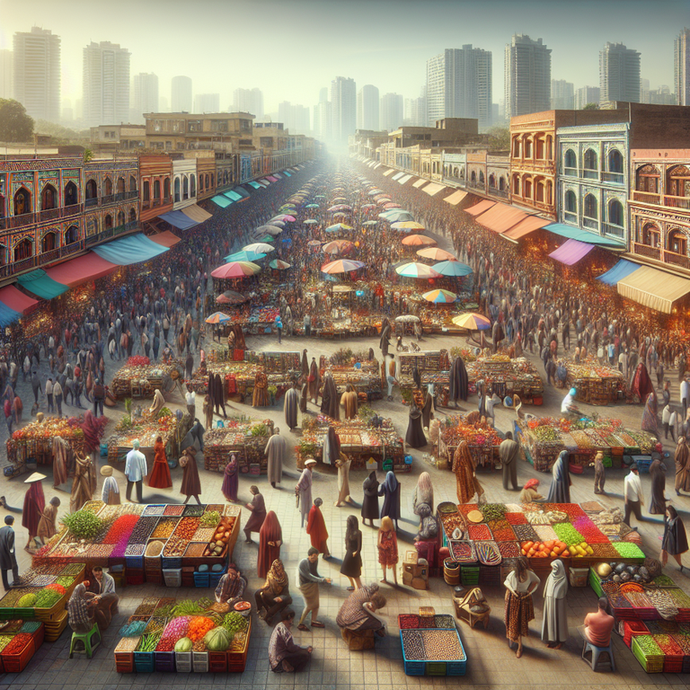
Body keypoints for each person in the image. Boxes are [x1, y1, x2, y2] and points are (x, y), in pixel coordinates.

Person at [504, 557, 540, 658]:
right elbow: (506, 583)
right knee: (512, 620)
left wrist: (528, 592)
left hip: (523, 600)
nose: (522, 574)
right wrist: (513, 592)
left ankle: (519, 646)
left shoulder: (529, 574)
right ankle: (512, 639)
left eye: (523, 571)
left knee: (520, 623)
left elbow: (537, 581)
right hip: (513, 599)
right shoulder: (513, 574)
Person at [336, 584, 387, 649]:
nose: (373, 609)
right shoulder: (364, 616)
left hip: (342, 614)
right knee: (377, 624)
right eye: (373, 607)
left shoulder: (364, 591)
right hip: (346, 621)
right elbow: (378, 624)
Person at [297, 547, 331, 631]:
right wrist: (321, 580)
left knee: (316, 604)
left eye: (316, 556)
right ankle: (300, 623)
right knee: (309, 606)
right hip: (305, 585)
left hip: (313, 584)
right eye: (313, 557)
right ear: (309, 556)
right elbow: (308, 576)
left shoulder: (316, 561)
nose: (315, 559)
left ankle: (313, 620)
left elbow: (314, 573)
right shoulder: (303, 564)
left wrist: (323, 578)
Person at [269, 608, 312, 673]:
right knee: (305, 655)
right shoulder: (286, 632)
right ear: (290, 618)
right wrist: (305, 649)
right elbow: (292, 649)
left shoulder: (279, 625)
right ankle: (292, 668)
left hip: (273, 658)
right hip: (278, 663)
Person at [541, 560, 568, 649]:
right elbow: (547, 586)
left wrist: (553, 596)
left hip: (558, 604)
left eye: (555, 568)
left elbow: (560, 593)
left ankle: (559, 641)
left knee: (558, 621)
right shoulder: (552, 575)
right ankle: (551, 639)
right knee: (550, 620)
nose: (553, 569)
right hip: (549, 602)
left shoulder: (563, 579)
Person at [256, 559, 292, 625]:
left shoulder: (284, 577)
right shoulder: (270, 574)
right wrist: (262, 588)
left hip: (281, 596)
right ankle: (260, 608)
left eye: (281, 570)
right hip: (271, 594)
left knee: (274, 608)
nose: (280, 572)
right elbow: (267, 584)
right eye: (278, 570)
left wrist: (281, 598)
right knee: (257, 593)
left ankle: (268, 617)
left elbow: (286, 592)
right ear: (274, 569)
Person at [89, 566, 120, 630]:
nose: (96, 576)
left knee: (104, 606)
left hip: (111, 595)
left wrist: (100, 596)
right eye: (94, 575)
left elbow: (106, 592)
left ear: (100, 573)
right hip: (103, 595)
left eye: (97, 575)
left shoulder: (108, 579)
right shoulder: (97, 578)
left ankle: (106, 623)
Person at [21, 472, 45, 551]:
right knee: (34, 530)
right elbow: (36, 505)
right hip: (33, 516)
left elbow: (41, 503)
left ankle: (32, 544)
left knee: (35, 530)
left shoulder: (37, 491)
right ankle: (31, 545)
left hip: (36, 515)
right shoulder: (32, 492)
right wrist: (40, 512)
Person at [661, 505, 688, 572]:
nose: (666, 514)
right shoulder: (668, 519)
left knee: (675, 554)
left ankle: (680, 565)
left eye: (668, 513)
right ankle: (664, 564)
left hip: (674, 540)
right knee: (666, 552)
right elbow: (666, 530)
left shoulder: (677, 520)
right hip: (668, 538)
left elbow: (679, 534)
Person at [340, 515, 363, 591]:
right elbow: (346, 540)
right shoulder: (348, 531)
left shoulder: (358, 533)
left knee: (355, 574)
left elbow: (359, 547)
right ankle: (353, 585)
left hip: (354, 555)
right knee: (345, 570)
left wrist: (356, 552)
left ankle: (360, 588)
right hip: (349, 553)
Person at [258, 511, 283, 579]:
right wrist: (276, 543)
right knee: (272, 562)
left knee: (265, 561)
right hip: (274, 551)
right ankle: (273, 574)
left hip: (265, 550)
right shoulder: (277, 528)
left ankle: (264, 574)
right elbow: (280, 540)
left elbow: (262, 542)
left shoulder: (263, 529)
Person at [0, 516, 19, 591]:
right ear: (12, 522)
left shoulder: (1, 529)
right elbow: (10, 544)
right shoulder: (11, 531)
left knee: (3, 568)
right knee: (14, 566)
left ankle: (6, 586)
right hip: (8, 552)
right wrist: (11, 553)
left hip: (1, 551)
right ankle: (16, 581)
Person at [377, 516, 398, 585]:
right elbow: (379, 541)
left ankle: (394, 579)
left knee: (392, 564)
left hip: (390, 551)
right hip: (384, 551)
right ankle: (386, 578)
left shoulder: (391, 532)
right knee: (383, 564)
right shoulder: (381, 531)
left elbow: (394, 543)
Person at [295, 458, 315, 528]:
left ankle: (307, 521)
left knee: (307, 506)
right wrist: (299, 487)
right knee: (304, 506)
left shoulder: (309, 471)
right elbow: (300, 482)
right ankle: (303, 522)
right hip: (305, 492)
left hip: (307, 491)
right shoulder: (306, 472)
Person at [624, 463, 644, 527]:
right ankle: (638, 517)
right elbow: (639, 490)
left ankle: (626, 523)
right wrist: (641, 500)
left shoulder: (626, 477)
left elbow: (625, 489)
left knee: (627, 513)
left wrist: (625, 498)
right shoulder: (636, 478)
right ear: (635, 471)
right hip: (635, 498)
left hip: (628, 498)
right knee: (637, 510)